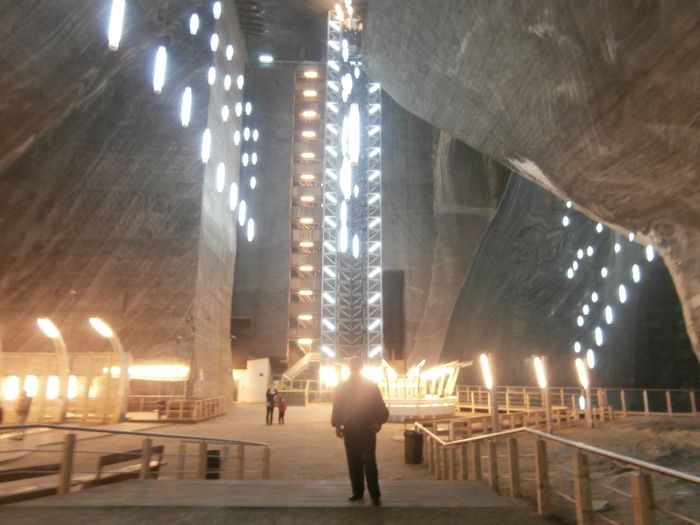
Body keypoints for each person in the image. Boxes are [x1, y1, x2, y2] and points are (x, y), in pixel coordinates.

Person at [331, 357, 390, 506]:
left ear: (349, 368)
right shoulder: (370, 385)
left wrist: (337, 425)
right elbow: (380, 406)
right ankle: (375, 495)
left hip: (350, 429)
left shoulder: (342, 386)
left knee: (353, 461)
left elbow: (337, 407)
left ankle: (357, 492)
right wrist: (379, 421)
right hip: (368, 429)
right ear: (362, 367)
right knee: (370, 461)